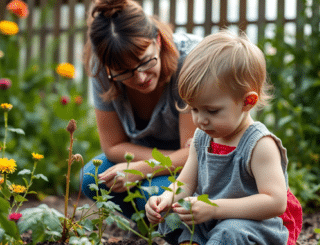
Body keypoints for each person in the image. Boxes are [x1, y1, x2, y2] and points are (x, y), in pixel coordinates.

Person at [145, 30, 302, 245]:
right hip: (213, 219)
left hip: (253, 225)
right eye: (194, 109)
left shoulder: (260, 145)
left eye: (212, 111)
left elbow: (275, 203)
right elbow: (185, 183)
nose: (200, 120)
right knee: (172, 217)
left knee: (230, 231)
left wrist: (214, 208)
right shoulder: (202, 137)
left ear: (248, 101)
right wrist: (164, 200)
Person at [81, 0, 201, 221]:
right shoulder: (102, 70)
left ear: (158, 40)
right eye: (123, 72)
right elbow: (113, 146)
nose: (140, 78)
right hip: (158, 156)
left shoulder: (190, 61)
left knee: (151, 193)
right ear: (107, 66)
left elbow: (195, 154)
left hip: (200, 166)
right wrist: (154, 164)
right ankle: (147, 226)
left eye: (145, 62)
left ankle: (186, 238)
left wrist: (142, 168)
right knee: (92, 178)